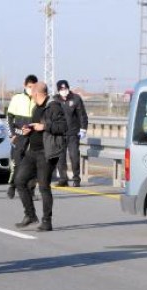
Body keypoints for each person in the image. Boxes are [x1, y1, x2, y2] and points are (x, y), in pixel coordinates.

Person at [14, 82, 67, 231]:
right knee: (20, 180)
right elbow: (36, 126)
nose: (30, 95)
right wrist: (28, 130)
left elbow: (63, 127)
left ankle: (46, 221)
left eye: (31, 92)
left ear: (37, 93)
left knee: (44, 186)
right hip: (33, 151)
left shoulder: (53, 106)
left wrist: (44, 126)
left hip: (47, 152)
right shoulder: (36, 108)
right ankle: (30, 215)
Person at [6, 74, 37, 199]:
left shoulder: (38, 99)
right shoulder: (17, 98)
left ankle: (31, 190)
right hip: (19, 137)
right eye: (29, 87)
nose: (31, 89)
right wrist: (12, 134)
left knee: (33, 165)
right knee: (17, 164)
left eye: (33, 87)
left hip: (33, 137)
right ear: (25, 85)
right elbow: (9, 118)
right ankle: (12, 185)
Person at [53, 80, 88, 187]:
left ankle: (76, 178)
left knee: (74, 156)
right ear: (58, 90)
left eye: (65, 88)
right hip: (60, 134)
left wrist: (83, 129)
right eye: (61, 89)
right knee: (61, 158)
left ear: (68, 88)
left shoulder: (76, 98)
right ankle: (63, 179)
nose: (64, 91)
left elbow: (82, 115)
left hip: (73, 133)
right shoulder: (55, 100)